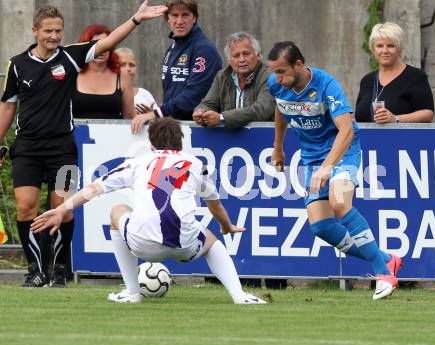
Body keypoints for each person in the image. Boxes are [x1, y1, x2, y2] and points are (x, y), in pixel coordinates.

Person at [0, 1, 167, 287]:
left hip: (64, 148)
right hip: (27, 148)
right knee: (26, 207)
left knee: (62, 206)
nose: (54, 36)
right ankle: (36, 271)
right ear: (35, 31)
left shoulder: (71, 57)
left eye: (59, 30)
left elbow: (108, 42)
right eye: (48, 31)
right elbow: (6, 108)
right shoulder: (17, 64)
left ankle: (61, 269)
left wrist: (136, 20)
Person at [31, 117, 266, 305]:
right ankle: (239, 296)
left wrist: (62, 209)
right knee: (212, 241)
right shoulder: (194, 164)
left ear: (151, 144)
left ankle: (132, 292)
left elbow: (94, 188)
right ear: (180, 144)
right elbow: (215, 203)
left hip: (142, 244)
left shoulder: (137, 162)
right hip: (184, 244)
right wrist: (227, 227)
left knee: (117, 210)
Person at [267, 41, 402, 300]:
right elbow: (280, 109)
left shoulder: (326, 85)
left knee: (340, 203)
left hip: (342, 149)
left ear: (298, 65)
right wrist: (278, 147)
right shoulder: (278, 85)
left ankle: (383, 272)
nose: (277, 78)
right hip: (313, 157)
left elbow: (347, 130)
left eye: (281, 71)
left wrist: (327, 167)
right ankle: (387, 259)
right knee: (321, 228)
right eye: (274, 72)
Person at [131, 0, 222, 134]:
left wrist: (157, 113)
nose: (179, 21)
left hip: (199, 132)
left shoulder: (204, 50)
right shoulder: (174, 47)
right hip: (175, 129)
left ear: (194, 18)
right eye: (174, 15)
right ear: (167, 18)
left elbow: (193, 96)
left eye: (185, 15)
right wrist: (160, 114)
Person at [355, 22, 434, 123]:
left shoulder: (415, 77)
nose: (385, 50)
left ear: (399, 48)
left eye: (391, 46)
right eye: (379, 46)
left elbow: (427, 113)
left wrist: (396, 118)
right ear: (373, 49)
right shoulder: (367, 80)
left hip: (401, 138)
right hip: (368, 138)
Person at [193, 31, 275, 128]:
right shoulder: (222, 76)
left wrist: (222, 118)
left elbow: (262, 110)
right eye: (236, 56)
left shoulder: (269, 76)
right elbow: (208, 103)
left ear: (258, 55)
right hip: (228, 141)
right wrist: (201, 112)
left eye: (246, 54)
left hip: (263, 139)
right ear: (229, 60)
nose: (241, 59)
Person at [72, 25, 135, 120]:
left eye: (105, 44)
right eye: (95, 44)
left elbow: (130, 117)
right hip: (76, 134)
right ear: (85, 46)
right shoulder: (72, 73)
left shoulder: (122, 75)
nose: (101, 49)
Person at [114, 47, 158, 135]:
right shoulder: (108, 96)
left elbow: (160, 125)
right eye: (122, 64)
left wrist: (152, 116)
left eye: (132, 65)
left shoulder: (145, 94)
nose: (128, 69)